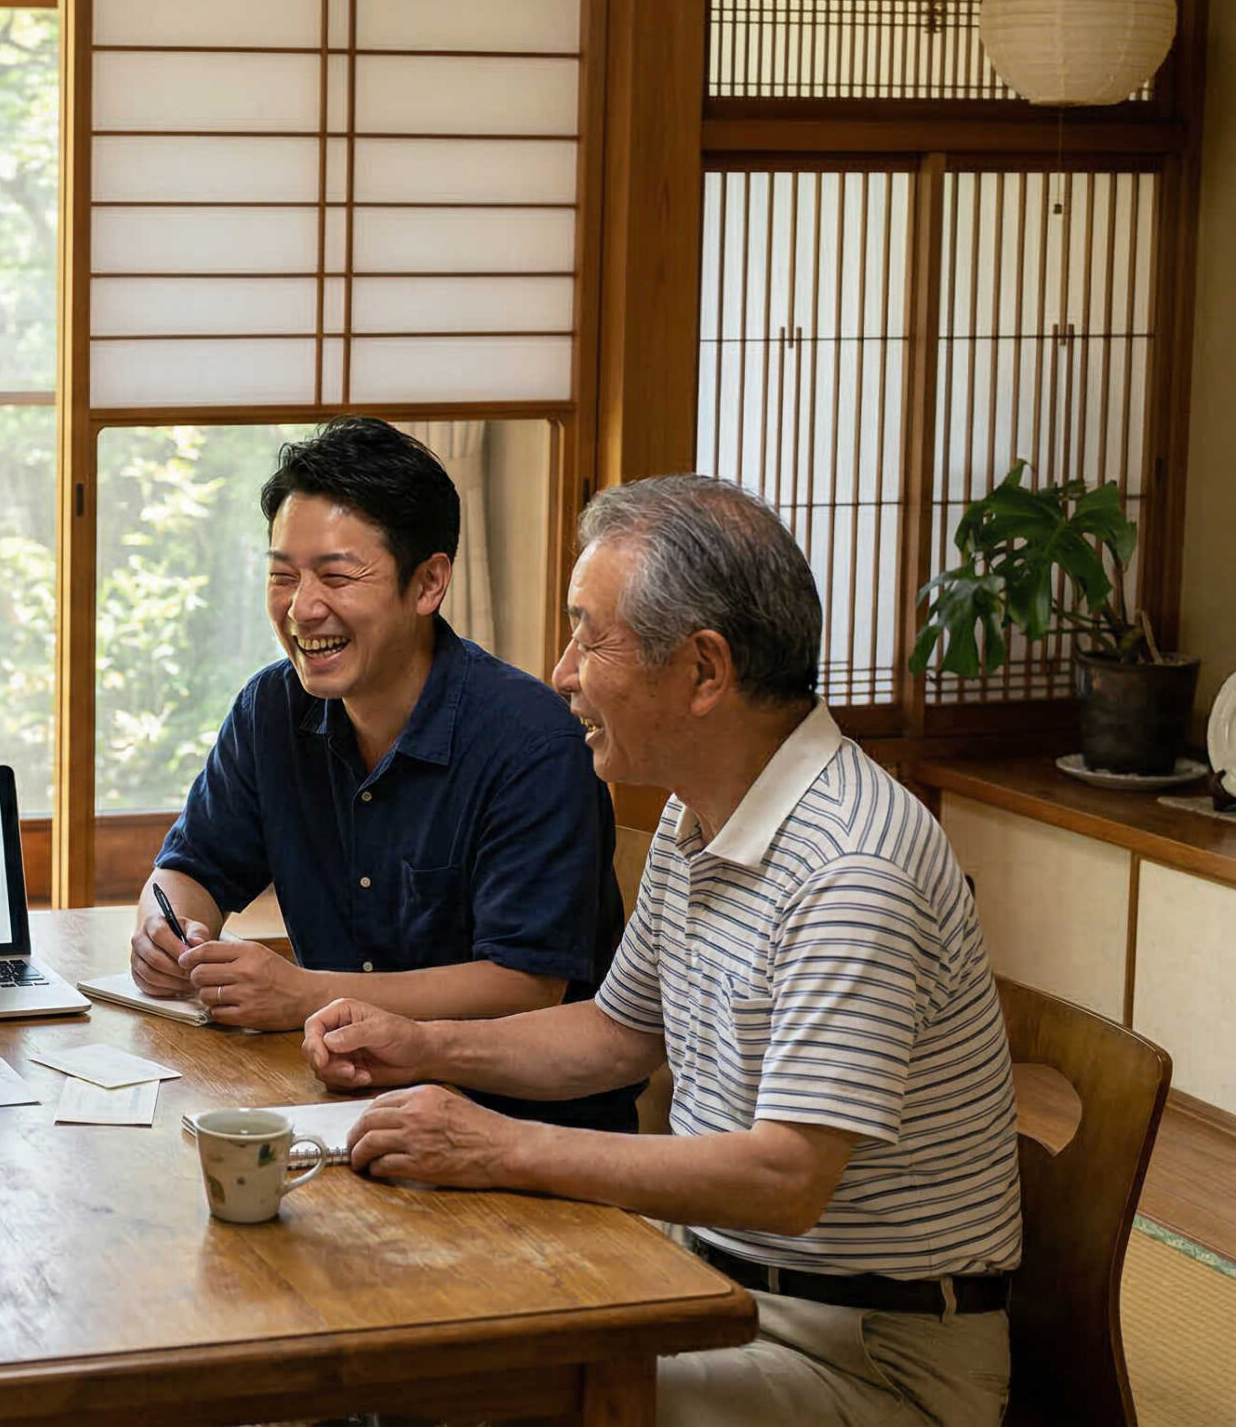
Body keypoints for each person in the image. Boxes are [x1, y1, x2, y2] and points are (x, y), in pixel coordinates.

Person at [305, 475, 1020, 1427]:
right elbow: (616, 1034)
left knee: (467, 1394)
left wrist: (500, 1144)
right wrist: (422, 1045)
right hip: (703, 1282)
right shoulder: (699, 810)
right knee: (392, 1325)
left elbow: (786, 1177)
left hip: (863, 1356)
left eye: (588, 636)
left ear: (704, 669)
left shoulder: (852, 865)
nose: (562, 671)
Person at [131, 416, 638, 1132]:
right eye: (282, 576)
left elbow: (525, 983)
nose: (302, 608)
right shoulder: (272, 707)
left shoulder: (532, 742)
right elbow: (192, 867)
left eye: (337, 576)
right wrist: (166, 930)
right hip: (339, 1101)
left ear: (428, 582)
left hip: (522, 1129)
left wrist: (303, 993)